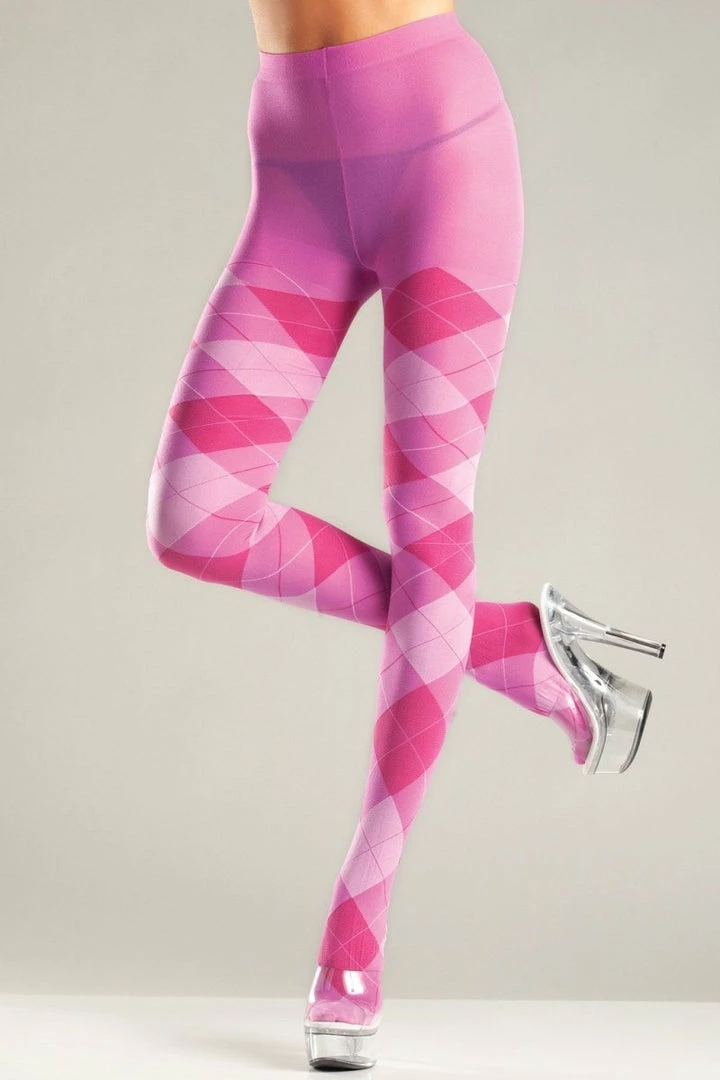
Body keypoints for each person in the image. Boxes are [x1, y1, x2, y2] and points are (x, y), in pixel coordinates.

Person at [145, 1, 666, 1069]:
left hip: (441, 146)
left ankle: (358, 928)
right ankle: (517, 647)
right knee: (196, 514)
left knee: (430, 523)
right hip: (293, 168)